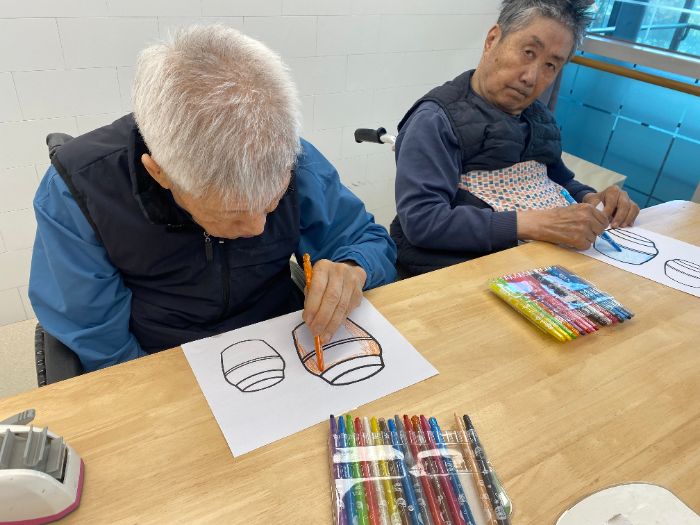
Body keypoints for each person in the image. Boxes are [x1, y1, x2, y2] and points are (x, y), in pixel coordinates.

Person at [29, 26, 397, 372]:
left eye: (273, 202)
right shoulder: (77, 192)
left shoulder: (294, 158)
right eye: (232, 214)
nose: (257, 228)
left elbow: (365, 239)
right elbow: (99, 340)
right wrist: (159, 391)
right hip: (162, 356)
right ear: (160, 173)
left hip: (280, 343)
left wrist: (353, 267)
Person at [391, 0, 639, 276]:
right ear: (492, 39)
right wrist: (535, 224)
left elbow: (558, 180)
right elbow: (423, 221)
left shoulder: (539, 118)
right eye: (528, 52)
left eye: (550, 65)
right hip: (456, 272)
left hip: (533, 264)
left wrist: (591, 199)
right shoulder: (436, 121)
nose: (531, 77)